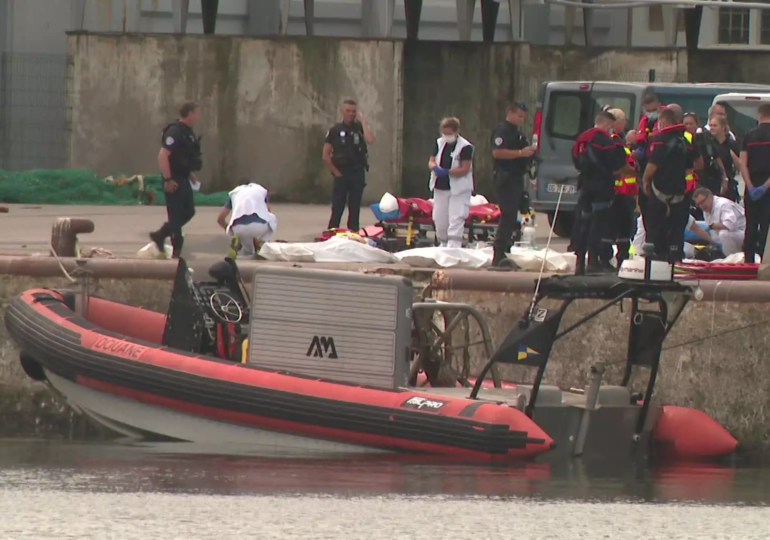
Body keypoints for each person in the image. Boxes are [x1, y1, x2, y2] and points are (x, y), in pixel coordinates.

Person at [571, 110, 631, 273]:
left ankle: (579, 262)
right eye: (610, 126)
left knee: (583, 223)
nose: (611, 130)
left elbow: (576, 161)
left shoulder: (582, 138)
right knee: (597, 225)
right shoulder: (605, 140)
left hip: (584, 186)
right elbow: (616, 165)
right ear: (606, 124)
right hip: (602, 187)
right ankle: (593, 262)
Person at [150, 101, 203, 259]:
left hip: (183, 177)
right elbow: (163, 156)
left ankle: (160, 234)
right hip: (173, 179)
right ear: (190, 113)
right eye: (197, 113)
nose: (198, 117)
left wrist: (191, 174)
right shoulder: (175, 131)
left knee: (188, 211)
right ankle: (176, 250)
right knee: (175, 215)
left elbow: (184, 157)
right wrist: (168, 180)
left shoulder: (188, 132)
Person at [489, 101, 537, 267]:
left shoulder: (518, 134)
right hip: (505, 178)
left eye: (523, 117)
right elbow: (497, 152)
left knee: (515, 215)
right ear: (510, 113)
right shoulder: (502, 131)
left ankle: (506, 249)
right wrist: (520, 153)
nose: (521, 119)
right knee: (507, 214)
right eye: (519, 116)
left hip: (516, 178)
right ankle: (498, 252)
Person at [642, 107, 690, 262]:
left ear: (662, 122)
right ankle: (675, 257)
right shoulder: (684, 140)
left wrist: (645, 179)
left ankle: (657, 258)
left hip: (660, 189)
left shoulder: (660, 139)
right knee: (677, 228)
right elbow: (698, 163)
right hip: (679, 190)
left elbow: (653, 163)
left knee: (655, 226)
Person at [323, 99, 375, 233]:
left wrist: (363, 121)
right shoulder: (335, 130)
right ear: (342, 111)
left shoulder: (359, 128)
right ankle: (331, 234)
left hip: (357, 173)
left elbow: (370, 140)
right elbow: (326, 155)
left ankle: (353, 235)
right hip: (341, 173)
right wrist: (336, 172)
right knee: (337, 208)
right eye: (348, 111)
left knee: (355, 208)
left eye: (353, 111)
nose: (351, 114)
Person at [428, 117, 474, 248]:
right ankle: (443, 243)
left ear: (456, 131)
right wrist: (435, 167)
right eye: (444, 133)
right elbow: (431, 160)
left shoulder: (465, 147)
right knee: (439, 218)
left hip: (458, 189)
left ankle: (454, 246)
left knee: (456, 217)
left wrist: (448, 172)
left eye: (449, 134)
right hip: (440, 187)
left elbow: (464, 168)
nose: (446, 137)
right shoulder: (439, 143)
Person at [739, 103, 770, 263]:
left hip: (752, 184)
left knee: (751, 224)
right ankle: (765, 261)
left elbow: (742, 163)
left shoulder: (749, 135)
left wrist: (750, 186)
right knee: (766, 225)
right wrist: (765, 186)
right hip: (768, 186)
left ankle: (748, 260)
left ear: (760, 115)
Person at [217, 178, 278, 259]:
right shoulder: (260, 190)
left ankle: (236, 239)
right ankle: (262, 243)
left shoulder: (234, 193)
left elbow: (220, 219)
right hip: (259, 227)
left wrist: (230, 230)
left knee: (247, 248)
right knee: (272, 218)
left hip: (238, 229)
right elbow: (268, 212)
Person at [607, 108, 637, 266]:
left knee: (619, 227)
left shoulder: (615, 140)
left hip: (621, 192)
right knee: (620, 226)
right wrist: (637, 171)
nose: (625, 124)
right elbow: (621, 166)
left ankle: (619, 257)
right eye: (623, 120)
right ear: (616, 122)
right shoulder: (615, 141)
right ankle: (619, 259)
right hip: (619, 193)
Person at [631, 213, 713, 260]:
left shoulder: (678, 210)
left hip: (667, 250)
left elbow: (695, 228)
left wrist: (713, 241)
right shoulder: (652, 211)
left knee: (692, 250)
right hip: (645, 252)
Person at [692, 187, 746, 256]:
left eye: (703, 201)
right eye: (699, 204)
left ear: (710, 196)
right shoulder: (706, 211)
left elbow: (730, 225)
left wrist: (711, 226)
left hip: (744, 232)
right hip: (735, 235)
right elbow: (714, 234)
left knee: (724, 234)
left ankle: (732, 259)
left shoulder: (723, 204)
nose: (702, 206)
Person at [709, 115, 741, 202]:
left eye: (715, 125)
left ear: (723, 127)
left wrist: (732, 155)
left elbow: (740, 166)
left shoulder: (732, 144)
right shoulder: (708, 144)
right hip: (712, 182)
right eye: (710, 125)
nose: (711, 128)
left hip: (729, 183)